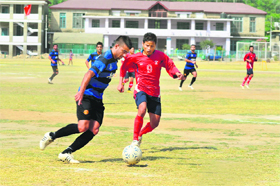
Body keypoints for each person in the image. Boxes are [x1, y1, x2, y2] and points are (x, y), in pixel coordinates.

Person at [40, 36, 132, 163]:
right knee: (83, 126)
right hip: (88, 94)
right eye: (124, 51)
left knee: (94, 129)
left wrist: (121, 82)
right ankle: (51, 136)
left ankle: (66, 153)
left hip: (98, 98)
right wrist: (81, 92)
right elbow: (88, 73)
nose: (125, 54)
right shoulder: (104, 58)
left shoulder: (114, 60)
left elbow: (122, 69)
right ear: (116, 46)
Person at [117, 32, 185, 147]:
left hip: (154, 92)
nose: (149, 48)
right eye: (147, 45)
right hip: (141, 89)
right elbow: (123, 67)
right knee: (142, 109)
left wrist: (177, 73)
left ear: (155, 46)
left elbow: (170, 66)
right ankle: (134, 140)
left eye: (152, 46)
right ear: (143, 44)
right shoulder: (135, 57)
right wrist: (121, 83)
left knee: (155, 123)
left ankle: (140, 134)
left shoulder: (161, 56)